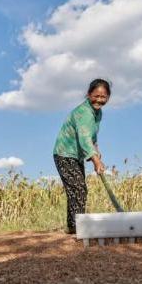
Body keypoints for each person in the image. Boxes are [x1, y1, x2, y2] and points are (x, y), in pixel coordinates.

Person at [53, 79, 110, 234]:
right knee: (78, 189)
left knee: (77, 190)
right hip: (65, 153)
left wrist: (96, 151)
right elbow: (84, 138)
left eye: (103, 97)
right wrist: (96, 160)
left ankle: (73, 226)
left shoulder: (97, 112)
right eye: (96, 96)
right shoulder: (84, 112)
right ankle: (77, 227)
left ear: (108, 98)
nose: (99, 100)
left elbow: (92, 136)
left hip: (75, 155)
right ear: (88, 94)